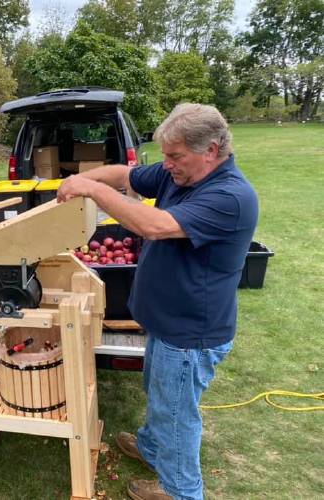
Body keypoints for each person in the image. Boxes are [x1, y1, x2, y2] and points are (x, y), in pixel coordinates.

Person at [57, 104, 258, 500]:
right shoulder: (179, 175)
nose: (166, 165)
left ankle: (180, 491)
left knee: (177, 415)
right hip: (165, 323)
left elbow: (154, 225)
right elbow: (126, 175)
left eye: (175, 156)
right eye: (165, 155)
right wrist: (85, 177)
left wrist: (94, 191)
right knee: (160, 394)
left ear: (212, 150)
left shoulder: (230, 196)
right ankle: (151, 448)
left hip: (190, 333)